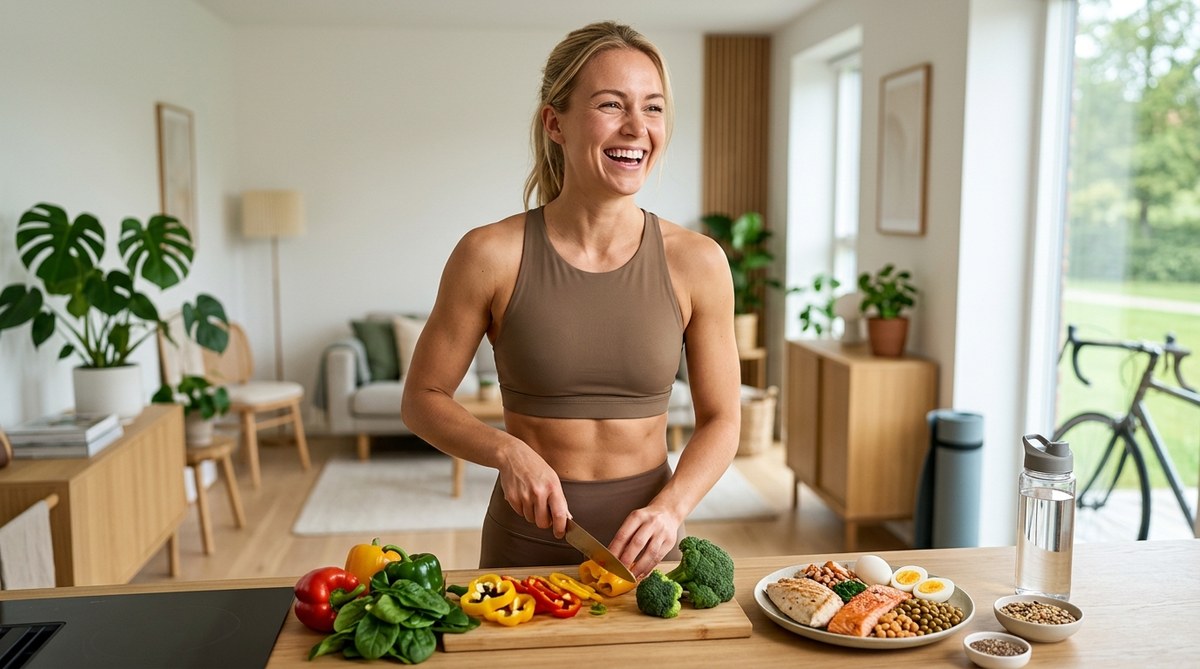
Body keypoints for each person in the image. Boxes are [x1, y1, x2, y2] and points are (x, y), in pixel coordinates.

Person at [400, 21, 741, 580]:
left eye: (653, 108)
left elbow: (724, 419)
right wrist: (508, 451)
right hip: (522, 549)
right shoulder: (490, 253)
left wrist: (672, 508)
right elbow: (422, 398)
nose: (637, 127)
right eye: (612, 104)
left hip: (647, 551)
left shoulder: (698, 261)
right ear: (555, 122)